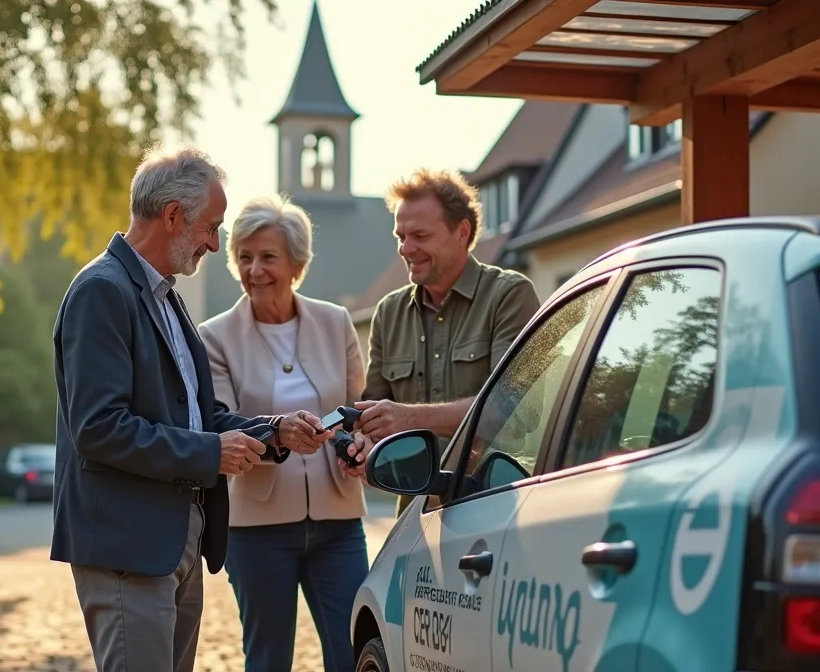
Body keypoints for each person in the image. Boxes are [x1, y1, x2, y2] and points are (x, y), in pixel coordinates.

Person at [50, 144, 334, 672]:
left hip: (175, 538)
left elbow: (198, 419)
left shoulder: (166, 297)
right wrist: (210, 452)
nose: (214, 243)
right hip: (127, 545)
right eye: (211, 227)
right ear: (174, 215)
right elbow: (100, 429)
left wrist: (273, 432)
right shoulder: (102, 292)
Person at [196, 194, 368, 672]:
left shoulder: (336, 323)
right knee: (268, 660)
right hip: (257, 530)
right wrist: (279, 434)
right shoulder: (213, 337)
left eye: (268, 257)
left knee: (355, 652)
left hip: (339, 523)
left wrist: (353, 444)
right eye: (244, 257)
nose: (255, 270)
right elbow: (221, 421)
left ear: (297, 263)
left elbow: (355, 411)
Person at [337, 168, 542, 515]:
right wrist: (362, 446)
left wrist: (407, 419)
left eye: (420, 235)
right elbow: (374, 415)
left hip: (494, 504)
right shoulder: (389, 312)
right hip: (415, 514)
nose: (406, 249)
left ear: (462, 232)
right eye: (400, 236)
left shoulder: (510, 295)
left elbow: (513, 410)